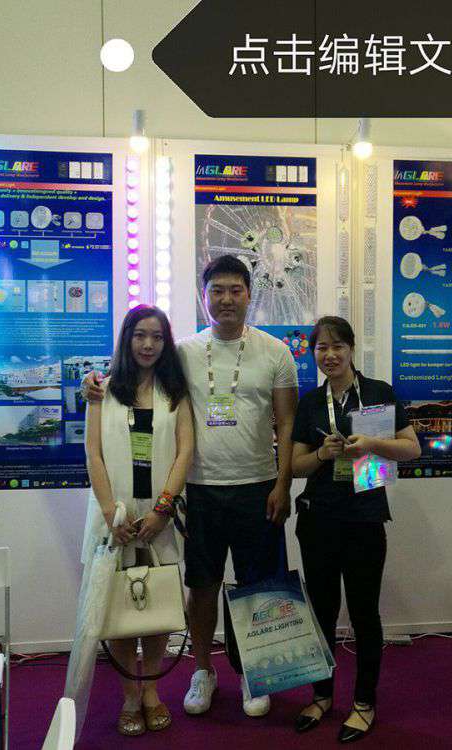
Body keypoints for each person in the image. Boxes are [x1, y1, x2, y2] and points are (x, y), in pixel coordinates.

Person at [82, 254, 298, 718]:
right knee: (201, 587)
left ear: (249, 294)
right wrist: (93, 383)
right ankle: (203, 670)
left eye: (235, 290)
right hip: (199, 491)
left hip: (258, 486)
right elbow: (136, 374)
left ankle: (254, 672)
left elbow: (287, 423)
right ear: (204, 297)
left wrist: (283, 485)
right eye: (217, 291)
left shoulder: (276, 353)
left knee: (258, 585)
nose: (226, 299)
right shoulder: (183, 352)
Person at [290, 316, 420, 743]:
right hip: (319, 521)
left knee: (364, 614)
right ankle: (322, 695)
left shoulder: (378, 393)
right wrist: (322, 455)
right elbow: (295, 466)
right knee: (322, 612)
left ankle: (364, 703)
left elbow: (412, 449)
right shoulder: (310, 402)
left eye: (337, 346)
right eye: (321, 348)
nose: (329, 355)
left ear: (351, 349)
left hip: (365, 519)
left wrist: (373, 444)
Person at [68, 304, 194, 737]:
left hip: (158, 518)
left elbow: (185, 452)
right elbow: (93, 454)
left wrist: (162, 509)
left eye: (157, 337)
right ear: (127, 339)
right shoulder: (102, 391)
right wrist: (110, 515)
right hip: (115, 519)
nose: (148, 344)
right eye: (140, 335)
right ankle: (129, 696)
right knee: (119, 608)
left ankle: (152, 692)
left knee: (157, 606)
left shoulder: (174, 392)